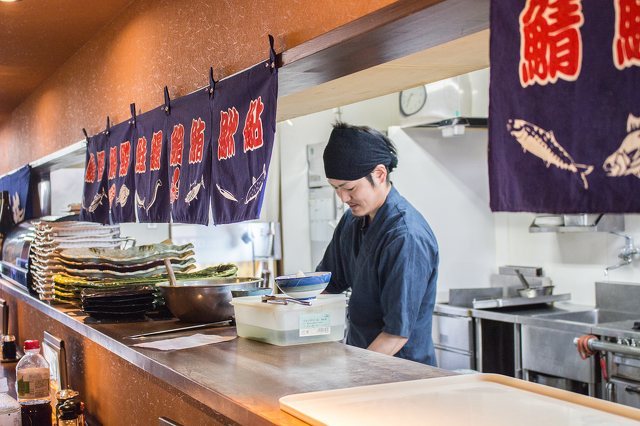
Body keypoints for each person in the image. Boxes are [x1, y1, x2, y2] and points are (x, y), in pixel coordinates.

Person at [317, 122, 439, 365]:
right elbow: (327, 284)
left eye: (349, 188)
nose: (343, 198)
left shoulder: (405, 237)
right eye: (335, 188)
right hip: (362, 362)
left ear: (380, 174)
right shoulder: (352, 222)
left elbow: (395, 334)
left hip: (401, 376)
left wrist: (353, 375)